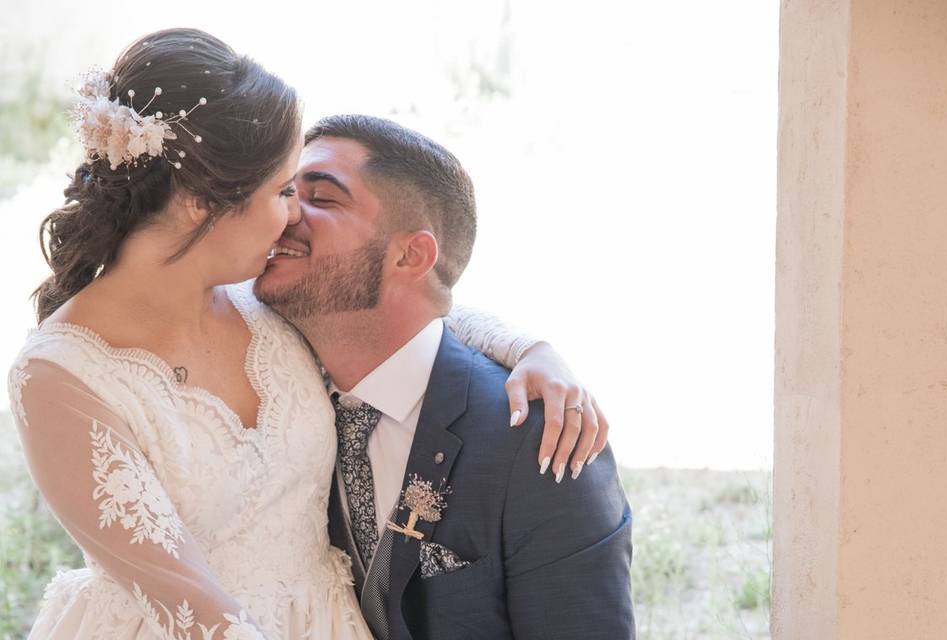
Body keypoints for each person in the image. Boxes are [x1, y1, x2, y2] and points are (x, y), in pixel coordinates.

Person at [8, 29, 610, 640]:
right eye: (282, 190)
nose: (292, 213)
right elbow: (189, 607)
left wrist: (532, 349)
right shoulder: (59, 376)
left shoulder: (260, 299)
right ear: (197, 201)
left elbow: (407, 305)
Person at [255, 115, 634, 639]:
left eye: (321, 197)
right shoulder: (263, 385)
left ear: (411, 255)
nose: (283, 214)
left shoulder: (538, 439)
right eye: (285, 192)